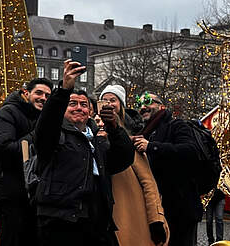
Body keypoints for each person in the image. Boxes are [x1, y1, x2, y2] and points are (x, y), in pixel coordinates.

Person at [34, 60, 135, 246]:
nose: (79, 108)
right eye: (72, 104)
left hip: (97, 220)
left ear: (90, 111)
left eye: (84, 104)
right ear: (63, 109)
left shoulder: (97, 139)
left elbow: (124, 158)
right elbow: (47, 122)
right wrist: (64, 90)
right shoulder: (55, 135)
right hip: (61, 221)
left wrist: (114, 128)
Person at [0, 78, 53, 246]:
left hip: (32, 197)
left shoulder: (40, 118)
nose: (43, 98)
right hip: (10, 197)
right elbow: (6, 149)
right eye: (39, 93)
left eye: (48, 96)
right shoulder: (7, 113)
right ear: (25, 93)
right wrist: (37, 136)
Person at [99, 85, 169, 246]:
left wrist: (155, 219)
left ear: (121, 105)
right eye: (105, 100)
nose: (108, 103)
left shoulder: (133, 138)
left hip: (129, 209)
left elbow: (148, 183)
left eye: (113, 100)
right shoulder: (95, 133)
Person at [132, 92, 203, 246]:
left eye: (148, 102)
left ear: (161, 106)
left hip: (181, 210)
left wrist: (152, 147)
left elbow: (190, 151)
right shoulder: (144, 132)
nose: (143, 107)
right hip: (158, 210)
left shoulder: (177, 125)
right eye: (139, 104)